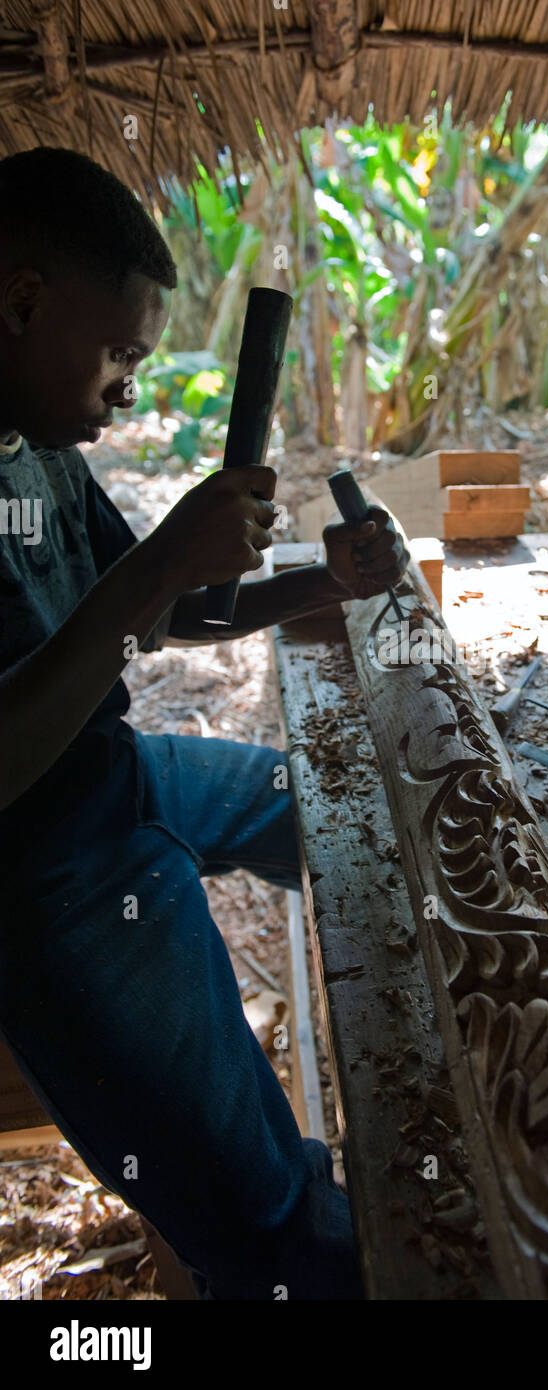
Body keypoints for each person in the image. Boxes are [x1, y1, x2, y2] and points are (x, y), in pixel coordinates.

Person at [0, 147, 408, 1299]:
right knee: (269, 1218)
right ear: (23, 302)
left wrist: (319, 581)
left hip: (115, 774)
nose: (128, 385)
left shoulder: (32, 442)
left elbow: (160, 605)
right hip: (43, 876)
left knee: (341, 821)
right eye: (120, 353)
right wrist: (152, 581)